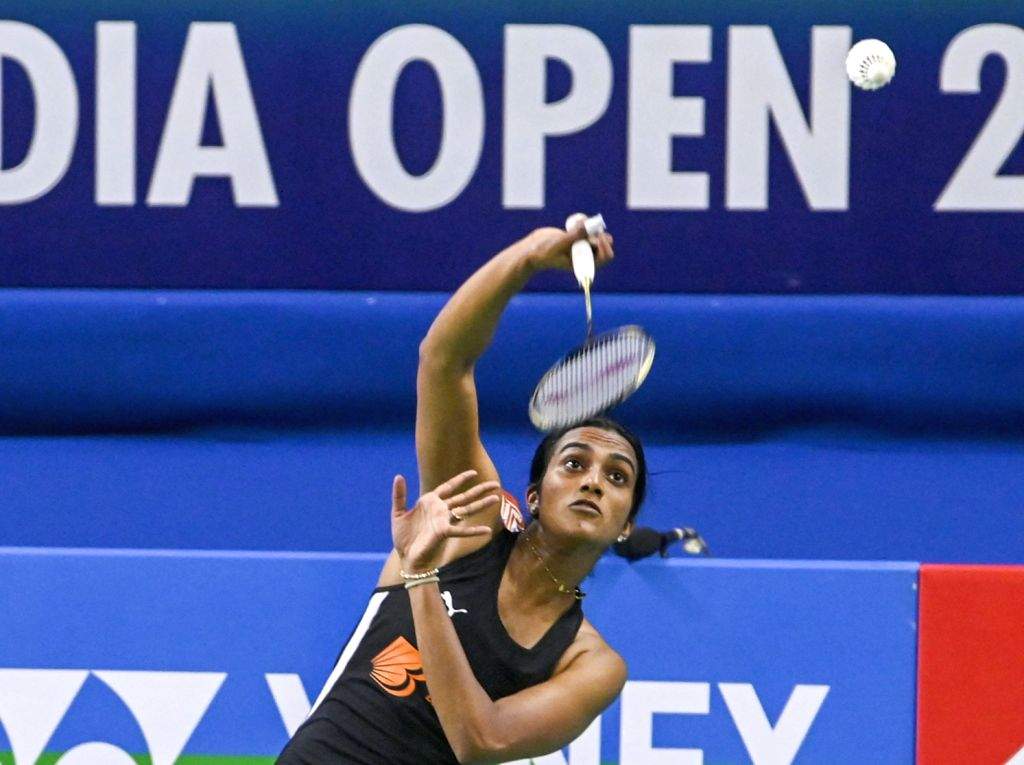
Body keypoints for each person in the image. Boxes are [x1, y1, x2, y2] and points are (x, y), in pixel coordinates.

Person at [278, 223, 646, 764]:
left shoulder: (590, 663)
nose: (593, 480)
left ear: (627, 525)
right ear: (535, 496)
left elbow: (483, 739)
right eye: (573, 463)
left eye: (618, 477)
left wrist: (422, 577)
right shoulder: (472, 523)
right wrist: (527, 258)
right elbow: (443, 362)